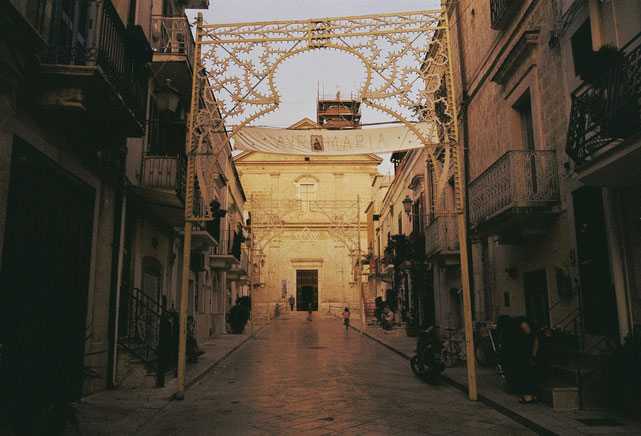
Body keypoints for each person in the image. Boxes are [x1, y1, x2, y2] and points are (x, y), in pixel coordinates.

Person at [513, 316, 540, 404]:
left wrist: (533, 355)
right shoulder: (527, 331)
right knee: (525, 373)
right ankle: (530, 395)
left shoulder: (527, 331)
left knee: (526, 373)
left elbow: (534, 342)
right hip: (524, 353)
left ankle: (529, 395)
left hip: (526, 354)